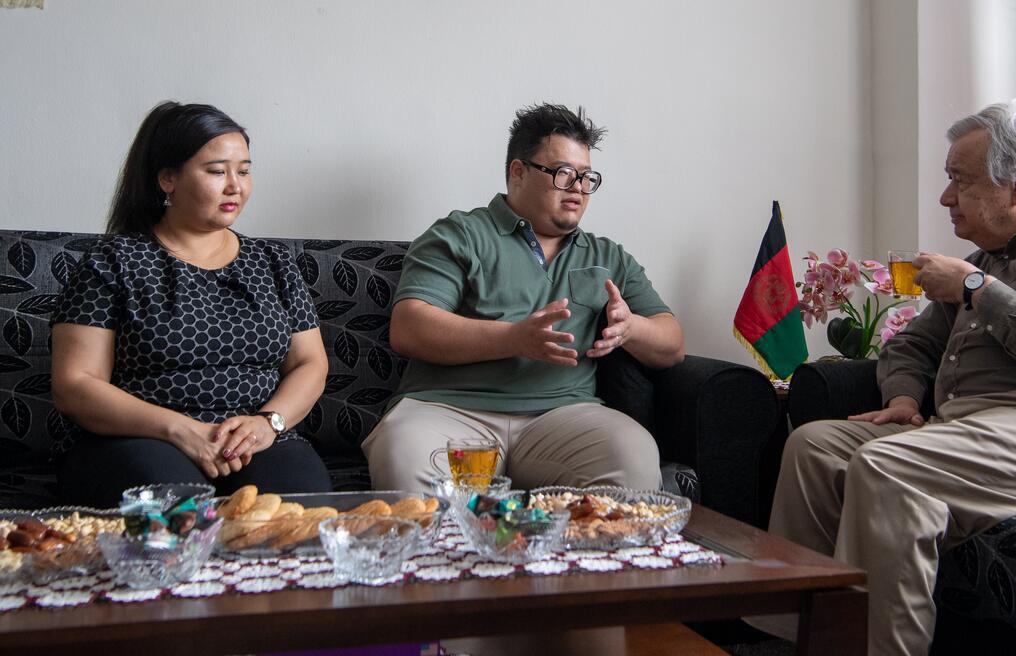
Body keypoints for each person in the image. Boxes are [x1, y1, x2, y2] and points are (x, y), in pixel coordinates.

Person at [758, 99, 1016, 655]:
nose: (945, 197)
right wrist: (904, 397)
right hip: (980, 430)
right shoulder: (988, 260)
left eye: (960, 180)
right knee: (814, 447)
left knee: (890, 467)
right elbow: (913, 343)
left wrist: (975, 289)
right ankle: (792, 641)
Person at [362, 104, 685, 493]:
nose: (578, 188)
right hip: (448, 411)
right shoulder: (460, 234)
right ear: (518, 171)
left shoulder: (608, 256)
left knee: (632, 453)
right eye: (563, 173)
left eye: (586, 177)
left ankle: (576, 538)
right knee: (402, 453)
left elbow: (672, 345)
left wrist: (632, 328)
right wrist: (513, 338)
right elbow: (410, 327)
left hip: (563, 417)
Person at [50, 102, 332, 508]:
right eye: (217, 172)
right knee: (179, 510)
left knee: (298, 508)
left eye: (244, 171)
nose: (235, 186)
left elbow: (310, 363)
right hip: (140, 438)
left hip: (253, 436)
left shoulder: (273, 262)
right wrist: (181, 430)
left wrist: (268, 423)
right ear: (168, 178)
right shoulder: (113, 261)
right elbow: (75, 384)